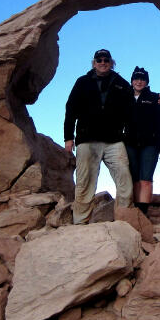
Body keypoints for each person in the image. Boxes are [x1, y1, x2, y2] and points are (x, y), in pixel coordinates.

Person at [63, 49, 134, 225]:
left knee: (124, 177)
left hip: (114, 140)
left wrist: (158, 99)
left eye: (106, 60)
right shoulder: (82, 82)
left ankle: (124, 219)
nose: (103, 62)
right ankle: (80, 222)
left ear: (111, 63)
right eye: (99, 60)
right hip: (87, 139)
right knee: (84, 182)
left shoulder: (121, 83)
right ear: (94, 63)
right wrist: (68, 137)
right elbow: (71, 109)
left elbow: (132, 110)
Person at [124, 66, 160, 215]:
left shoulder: (156, 98)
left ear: (146, 82)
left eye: (142, 79)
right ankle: (136, 210)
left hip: (150, 145)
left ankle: (143, 213)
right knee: (135, 179)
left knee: (146, 179)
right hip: (130, 144)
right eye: (136, 78)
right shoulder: (124, 97)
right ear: (131, 81)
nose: (139, 81)